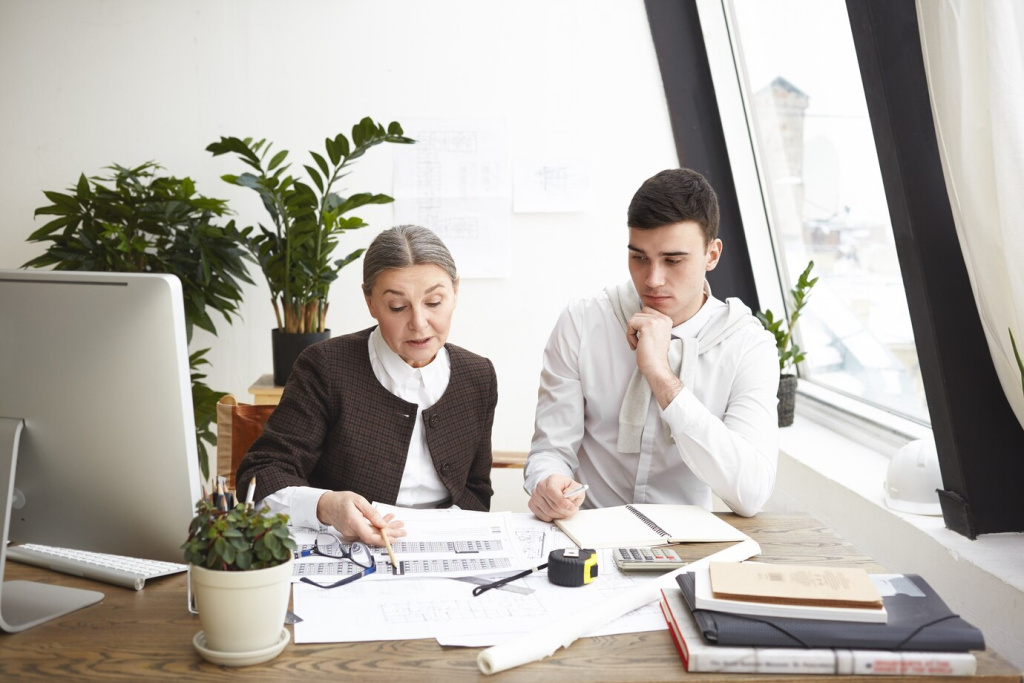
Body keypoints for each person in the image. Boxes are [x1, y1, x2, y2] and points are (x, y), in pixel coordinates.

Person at [524, 168, 779, 522]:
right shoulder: (582, 322)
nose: (653, 279)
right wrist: (547, 481)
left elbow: (750, 493)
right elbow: (550, 449)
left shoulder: (749, 346)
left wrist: (660, 374)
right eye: (639, 257)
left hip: (689, 543)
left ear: (712, 255)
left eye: (673, 260)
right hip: (589, 532)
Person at [237, 225, 498, 546]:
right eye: (397, 307)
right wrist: (325, 506)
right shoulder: (326, 366)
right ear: (370, 301)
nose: (419, 323)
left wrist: (449, 535)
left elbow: (476, 488)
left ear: (455, 292)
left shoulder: (477, 375)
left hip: (444, 550)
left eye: (434, 302)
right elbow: (261, 473)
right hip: (345, 548)